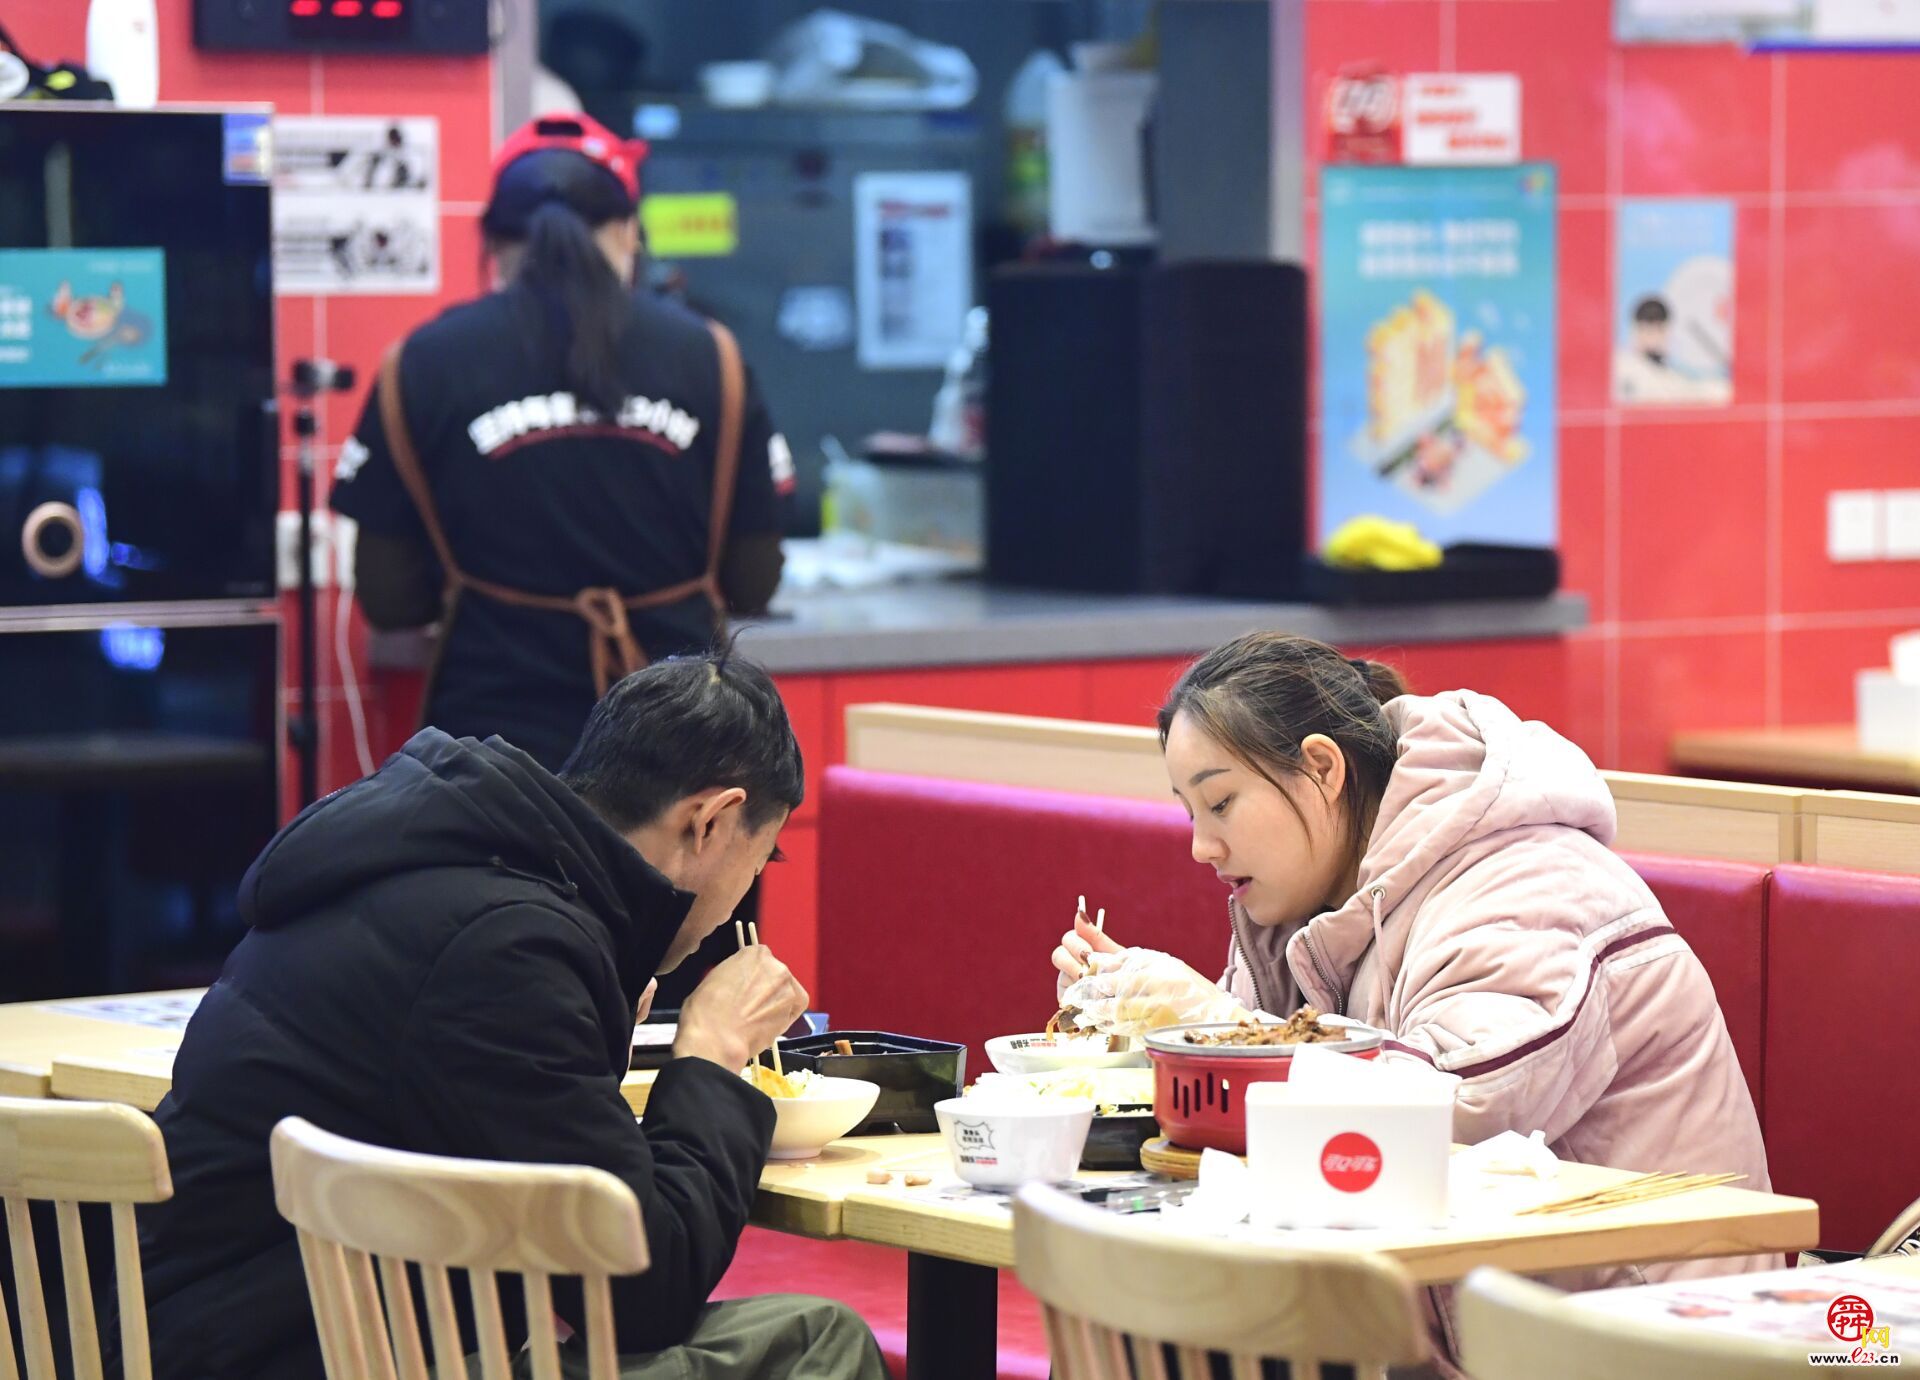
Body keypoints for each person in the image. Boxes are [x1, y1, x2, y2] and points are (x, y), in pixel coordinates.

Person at [123, 651, 886, 1380]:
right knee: (817, 1345)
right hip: (303, 1355)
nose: (739, 903)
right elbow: (641, 1293)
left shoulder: (422, 858)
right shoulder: (515, 949)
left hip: (197, 1333)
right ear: (710, 823)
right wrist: (711, 1054)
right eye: (761, 861)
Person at [1053, 634, 1771, 1273]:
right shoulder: (1305, 899)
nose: (1200, 846)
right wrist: (1137, 1029)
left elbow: (1451, 1113)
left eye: (1221, 804)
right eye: (1188, 811)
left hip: (1644, 1330)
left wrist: (1213, 1025)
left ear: (1323, 770)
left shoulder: (1527, 881)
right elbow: (1262, 1111)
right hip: (1470, 1318)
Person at [331, 112, 794, 774]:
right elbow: (753, 580)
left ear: (492, 240)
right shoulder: (711, 357)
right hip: (683, 758)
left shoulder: (422, 363)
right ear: (629, 231)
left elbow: (389, 597)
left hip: (490, 762)